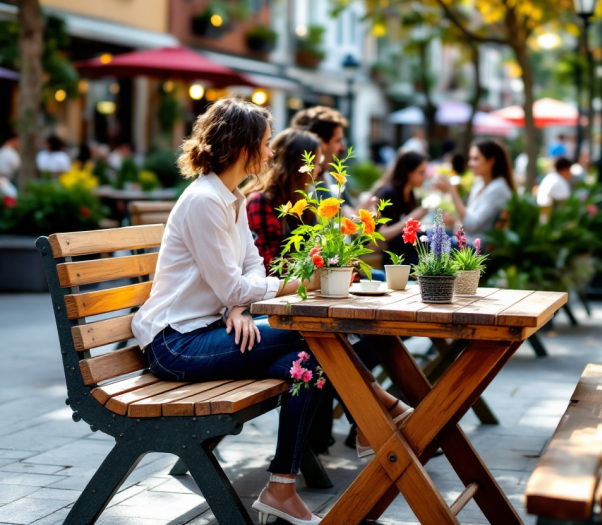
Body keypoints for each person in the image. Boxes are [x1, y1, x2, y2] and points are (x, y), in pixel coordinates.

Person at [131, 97, 411, 525]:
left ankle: (282, 486)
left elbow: (250, 267)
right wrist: (299, 284)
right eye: (263, 143)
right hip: (175, 343)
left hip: (209, 330)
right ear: (242, 147)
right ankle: (378, 408)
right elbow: (231, 283)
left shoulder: (232, 197)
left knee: (311, 362)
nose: (269, 152)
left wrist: (241, 308)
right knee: (315, 333)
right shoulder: (204, 201)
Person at [243, 129, 322, 270]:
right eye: (315, 162)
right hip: (278, 289)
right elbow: (266, 266)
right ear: (299, 166)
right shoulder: (261, 202)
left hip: (301, 287)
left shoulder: (305, 204)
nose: (319, 169)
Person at [433, 139, 514, 243]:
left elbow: (470, 225)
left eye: (476, 159)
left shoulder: (498, 188)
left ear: (491, 161)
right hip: (465, 241)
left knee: (426, 240)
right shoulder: (480, 184)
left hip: (476, 250)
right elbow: (468, 218)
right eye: (470, 158)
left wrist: (452, 192)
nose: (470, 163)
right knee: (428, 234)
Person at [290, 106, 355, 218]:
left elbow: (351, 219)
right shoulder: (295, 185)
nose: (343, 147)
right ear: (320, 143)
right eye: (338, 141)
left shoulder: (332, 178)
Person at [371, 151, 429, 267]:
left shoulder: (410, 194)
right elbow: (383, 233)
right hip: (393, 258)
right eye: (421, 172)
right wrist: (411, 218)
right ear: (409, 173)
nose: (425, 177)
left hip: (406, 253)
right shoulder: (388, 194)